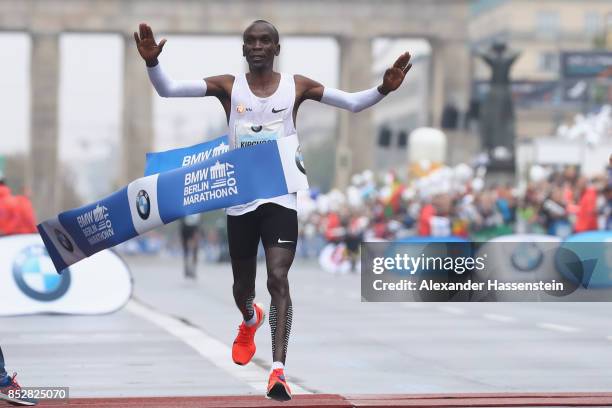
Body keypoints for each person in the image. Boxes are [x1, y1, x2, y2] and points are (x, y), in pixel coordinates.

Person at [134, 20, 411, 401]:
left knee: (278, 277)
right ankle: (250, 319)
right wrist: (152, 64)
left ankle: (278, 371)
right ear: (244, 50)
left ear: (277, 48)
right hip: (240, 198)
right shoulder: (228, 87)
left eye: (266, 41)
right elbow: (168, 90)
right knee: (242, 287)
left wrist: (383, 89)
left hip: (281, 195)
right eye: (251, 42)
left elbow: (351, 102)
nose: (258, 46)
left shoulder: (296, 86)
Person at [179, 214, 202, 279]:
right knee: (185, 249)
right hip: (185, 225)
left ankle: (193, 269)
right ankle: (186, 268)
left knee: (195, 248)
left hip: (194, 226)